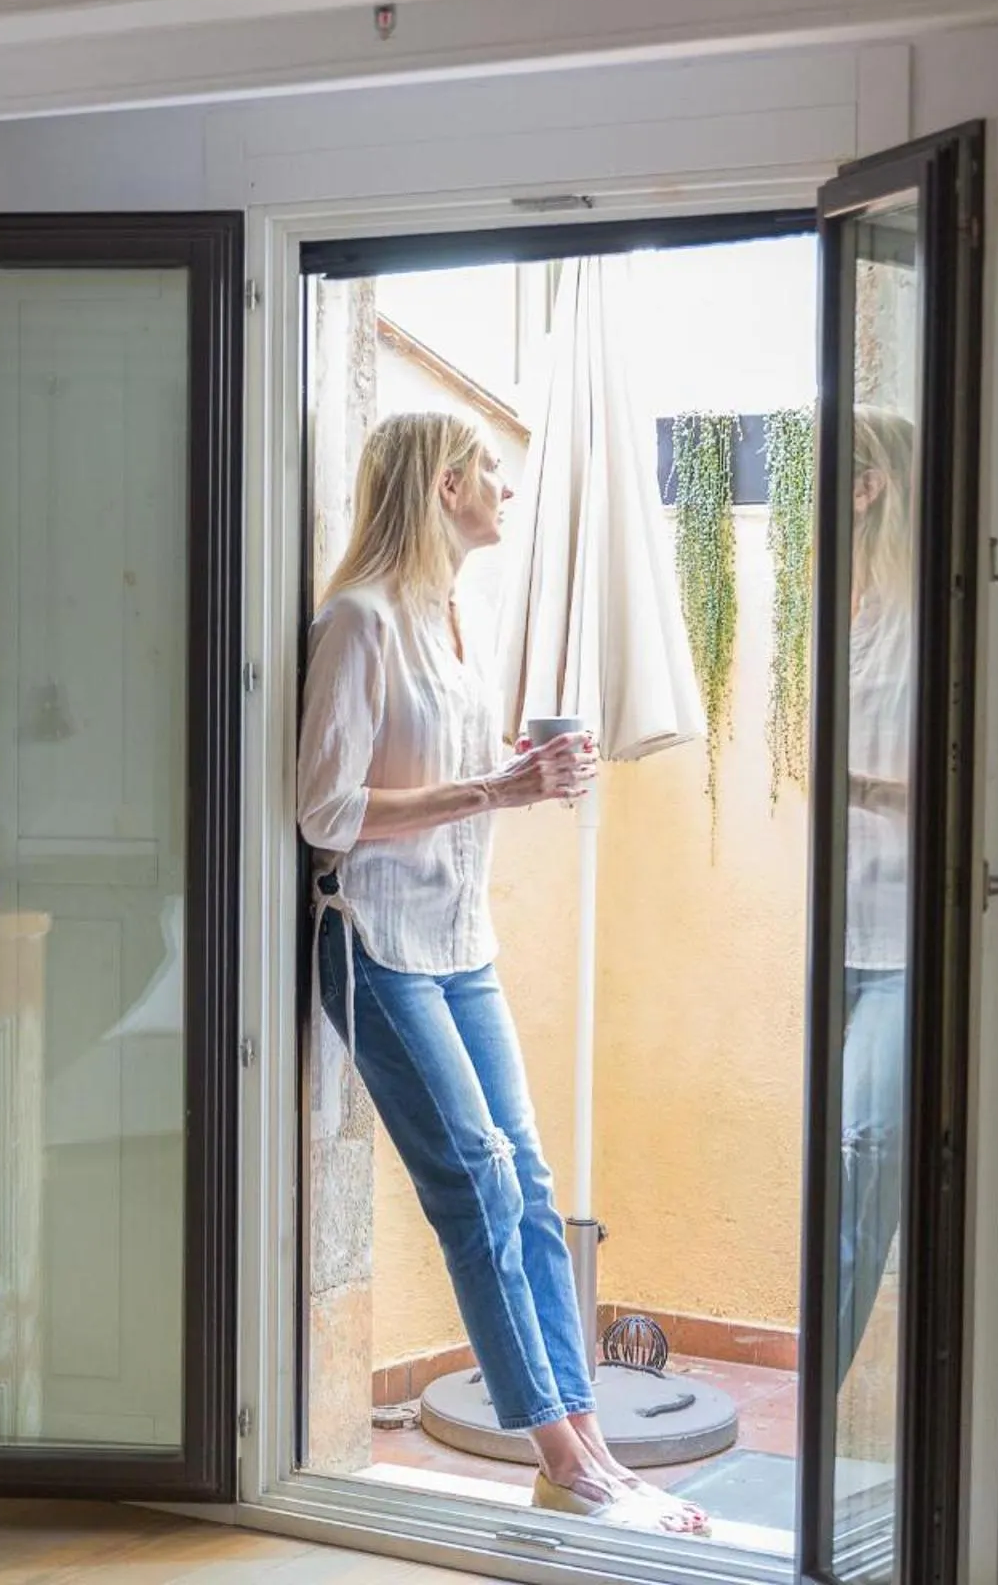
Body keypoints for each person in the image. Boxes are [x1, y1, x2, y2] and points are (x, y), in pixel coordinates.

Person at [298, 409, 707, 1535]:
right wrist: (496, 792)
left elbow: (451, 774)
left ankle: (581, 1442)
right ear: (441, 485)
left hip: (459, 939)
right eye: (489, 474)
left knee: (525, 1176)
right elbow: (324, 812)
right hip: (375, 944)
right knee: (473, 1180)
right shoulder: (360, 621)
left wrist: (520, 769)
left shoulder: (448, 617)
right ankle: (562, 1455)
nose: (505, 493)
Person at [837, 404, 918, 1387]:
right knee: (837, 1170)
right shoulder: (851, 607)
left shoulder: (922, 608)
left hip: (904, 939)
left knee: (864, 1158)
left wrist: (859, 785)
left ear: (872, 486)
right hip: (841, 930)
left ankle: (821, 1409)